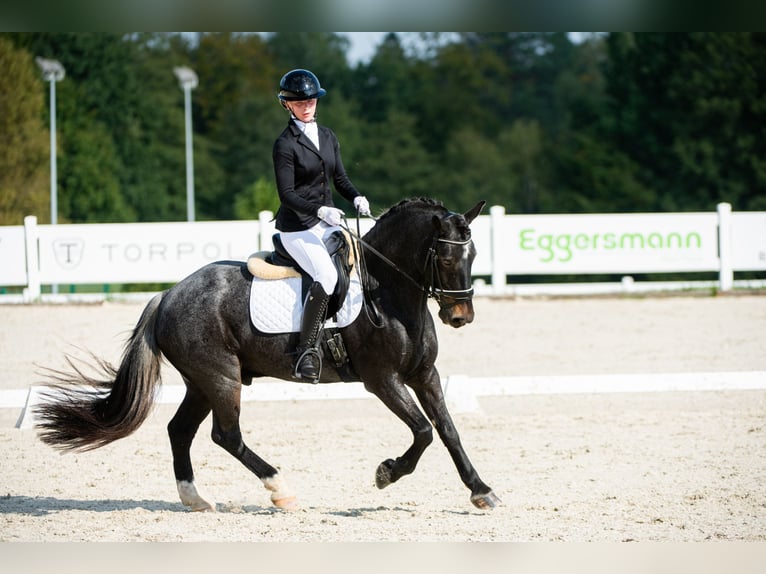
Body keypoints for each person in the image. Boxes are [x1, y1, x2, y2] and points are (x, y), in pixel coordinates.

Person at [272, 68, 371, 382]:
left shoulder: (327, 135)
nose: (306, 104)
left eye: (310, 99)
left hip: (324, 221)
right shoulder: (285, 144)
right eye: (299, 101)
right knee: (326, 274)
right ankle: (306, 352)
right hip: (297, 227)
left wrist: (356, 197)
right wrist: (320, 210)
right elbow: (286, 194)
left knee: (360, 259)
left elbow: (340, 179)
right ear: (286, 104)